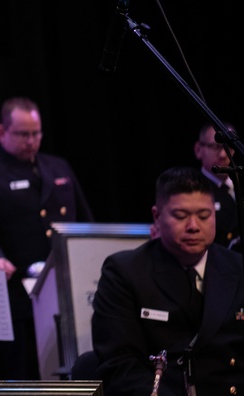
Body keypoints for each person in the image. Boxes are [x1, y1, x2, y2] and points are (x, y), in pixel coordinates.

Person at [0, 96, 93, 379]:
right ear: (1, 132)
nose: (31, 141)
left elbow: (83, 222)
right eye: (22, 134)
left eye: (36, 133)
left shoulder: (58, 167)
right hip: (17, 291)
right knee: (25, 369)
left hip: (64, 288)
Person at [91, 166, 244, 395]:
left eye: (204, 216)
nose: (193, 226)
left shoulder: (238, 267)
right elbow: (120, 366)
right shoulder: (125, 272)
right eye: (181, 216)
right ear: (157, 216)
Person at [193, 121, 240, 249]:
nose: (223, 155)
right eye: (216, 147)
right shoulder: (191, 188)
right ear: (198, 149)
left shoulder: (238, 184)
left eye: (228, 148)